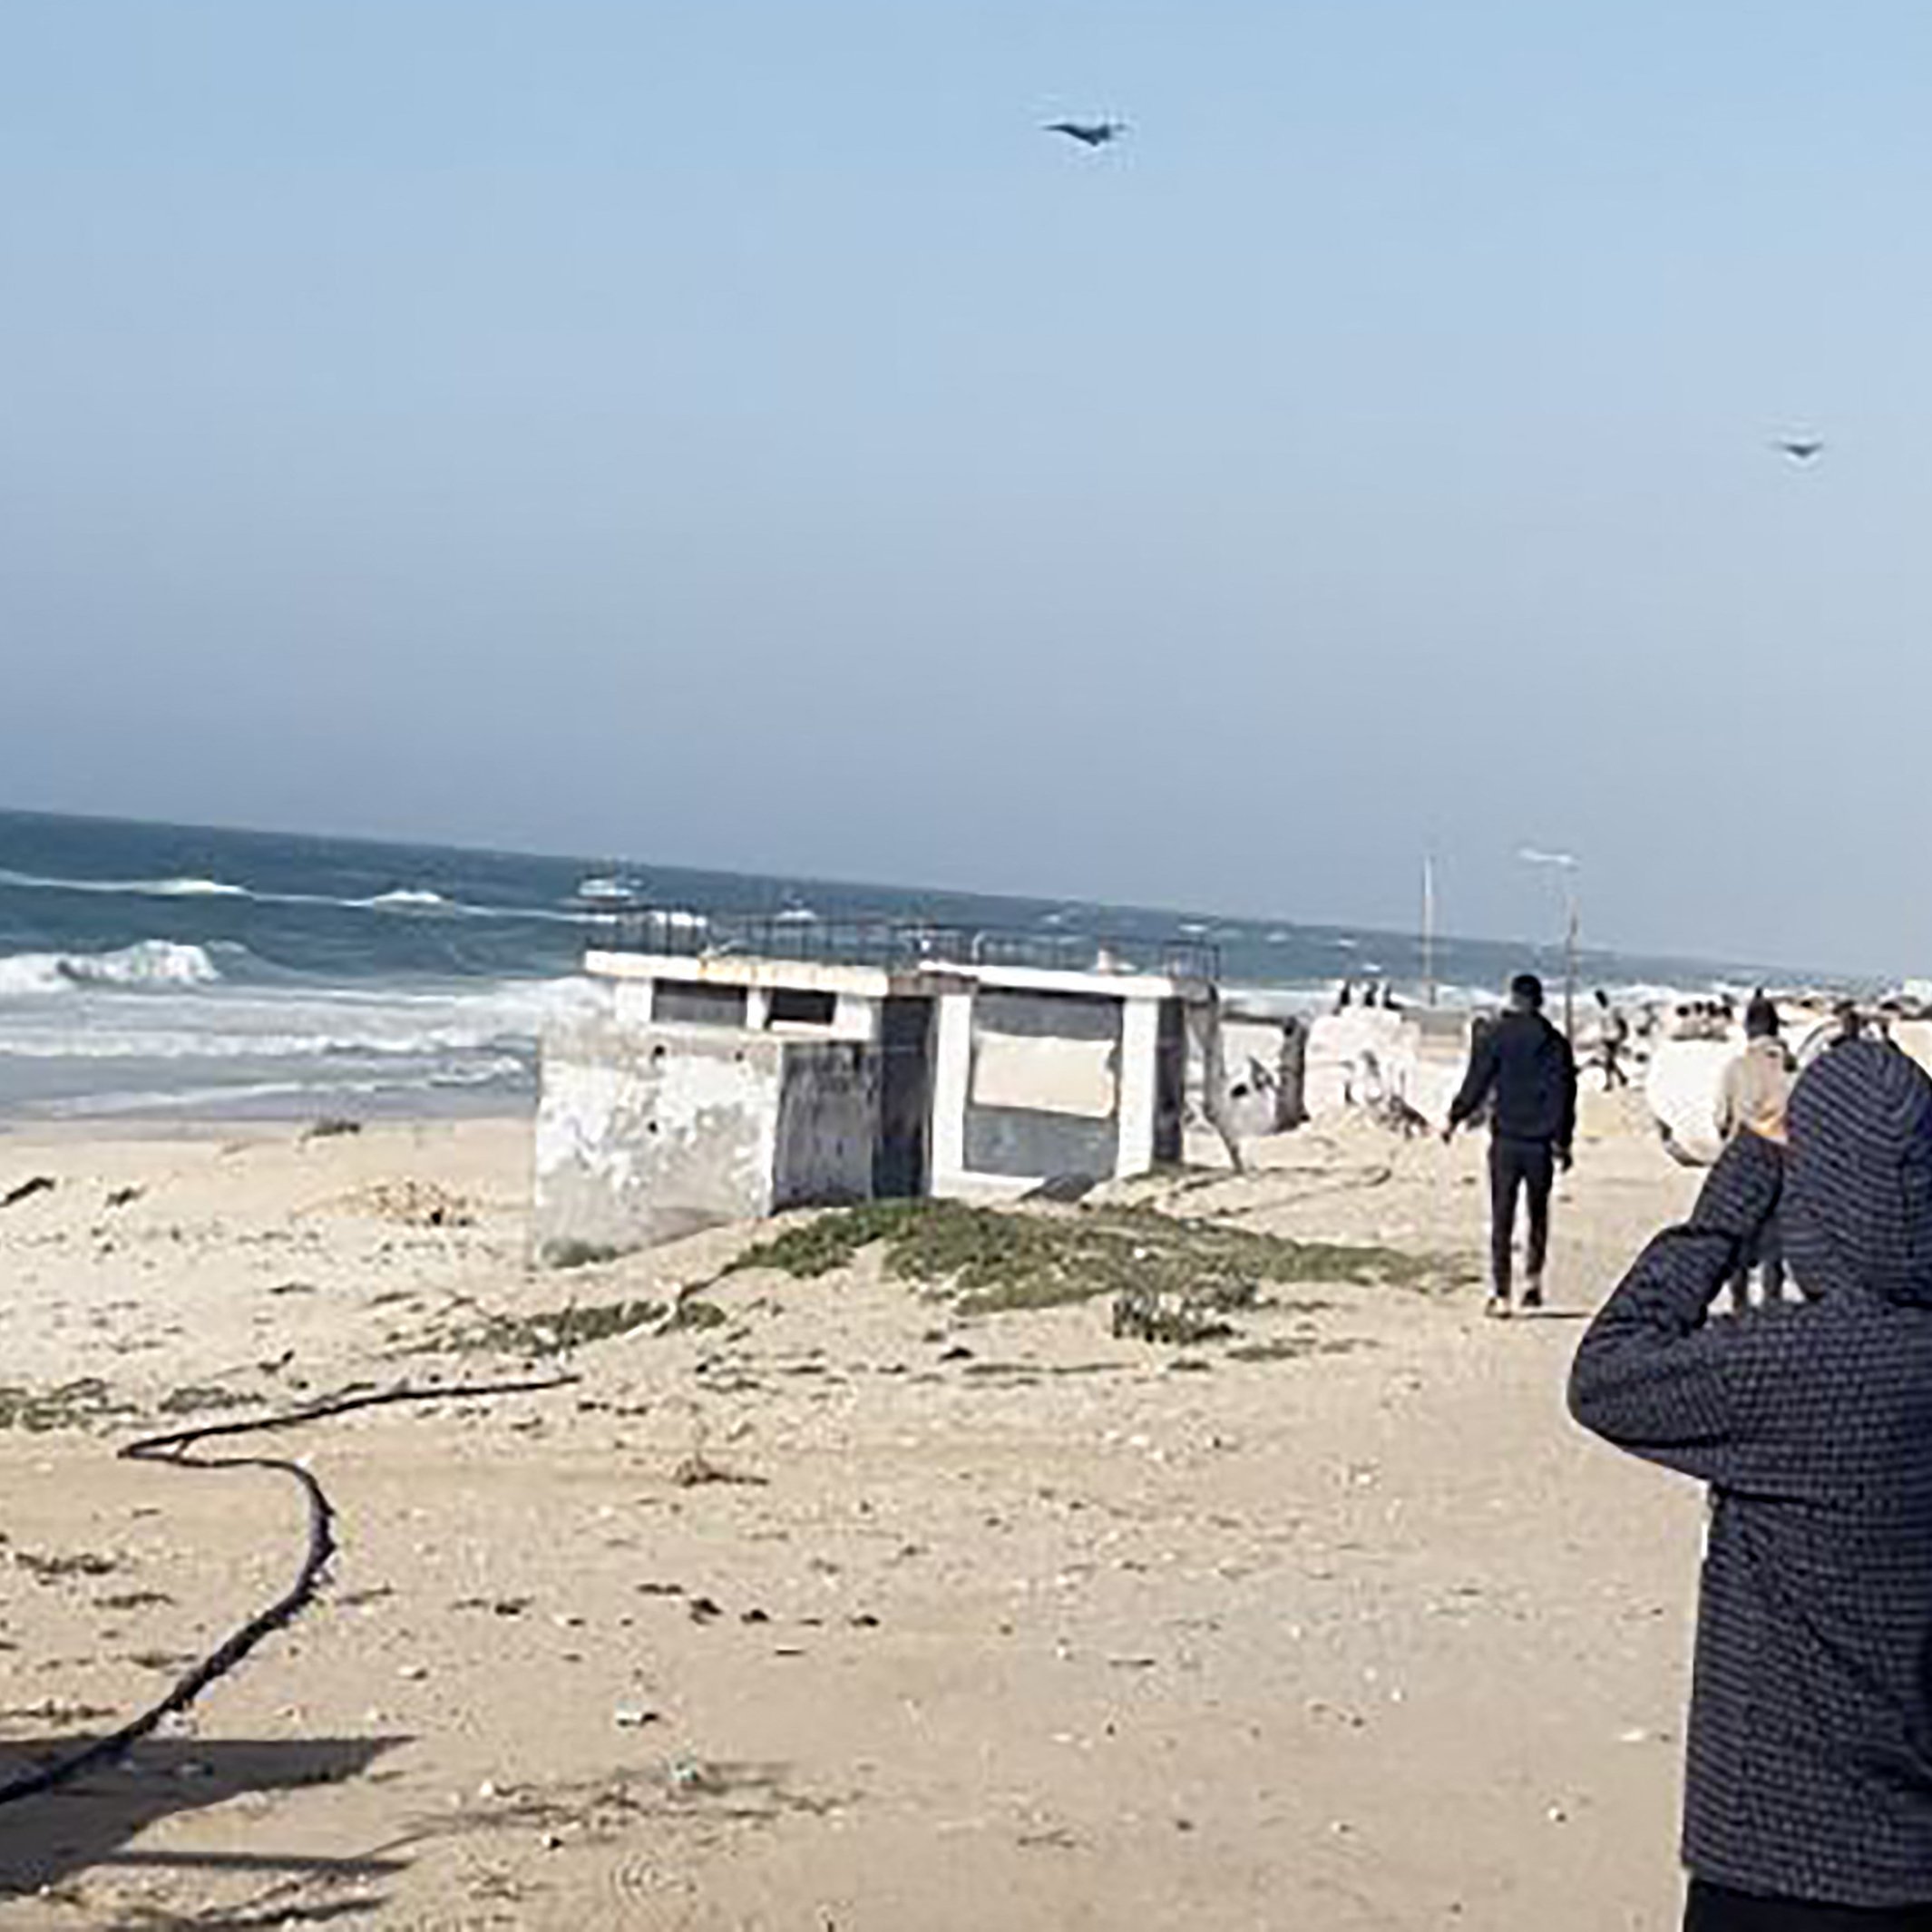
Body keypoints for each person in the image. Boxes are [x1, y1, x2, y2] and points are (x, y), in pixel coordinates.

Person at [1569, 1041, 1932, 1929]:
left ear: (1820, 1201)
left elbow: (1608, 1368)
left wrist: (1740, 1185)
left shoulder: (1797, 1370)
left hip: (1778, 1852)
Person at [1444, 973, 1577, 1318]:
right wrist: (1564, 1143)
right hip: (1541, 1144)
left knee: (1502, 1216)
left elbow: (1477, 1081)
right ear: (1540, 1001)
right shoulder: (1556, 1043)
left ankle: (1501, 1295)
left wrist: (1454, 1117)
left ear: (1514, 998)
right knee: (1538, 1214)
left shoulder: (1497, 1036)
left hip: (1506, 1140)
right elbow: (1565, 1098)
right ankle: (1532, 1280)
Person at [1717, 994, 1793, 1312]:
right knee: (1774, 1242)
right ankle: (1772, 1302)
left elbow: (1720, 1117)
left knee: (1739, 1236)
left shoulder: (1736, 1068)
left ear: (1748, 1029)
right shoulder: (1792, 1068)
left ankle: (1740, 1304)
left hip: (1743, 1158)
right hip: (1782, 1160)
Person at [1594, 987, 1631, 1091]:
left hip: (1615, 1037)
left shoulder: (1613, 1009)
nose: (1600, 1001)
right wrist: (1601, 1038)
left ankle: (1611, 1083)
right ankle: (1622, 1078)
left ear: (1605, 998)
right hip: (1607, 1038)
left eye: (1601, 998)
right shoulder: (1601, 1010)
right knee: (1609, 1062)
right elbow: (1604, 1026)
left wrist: (1623, 1035)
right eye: (1598, 999)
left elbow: (1622, 1023)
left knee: (1608, 1062)